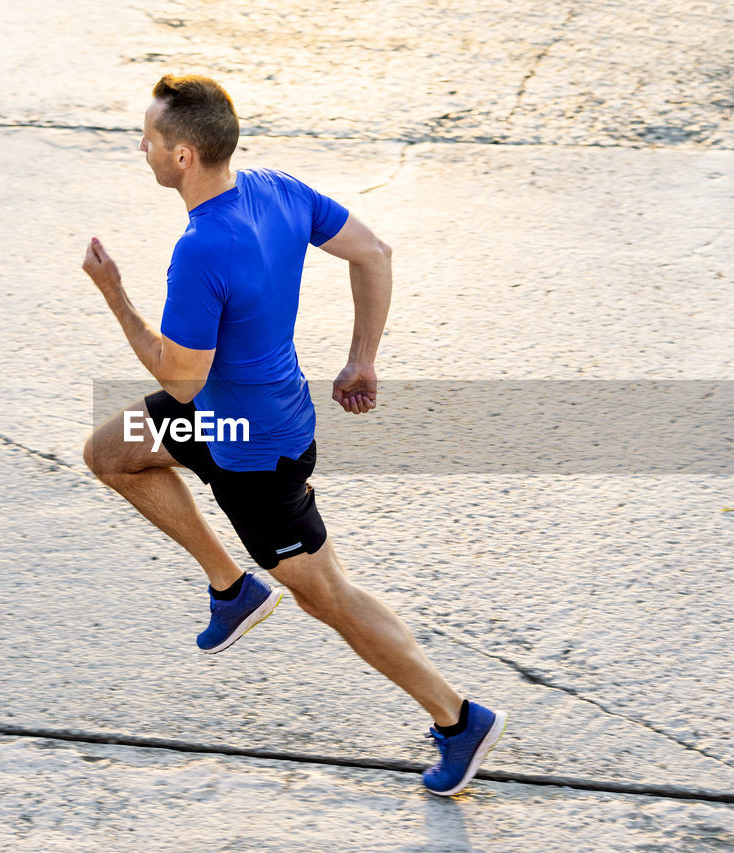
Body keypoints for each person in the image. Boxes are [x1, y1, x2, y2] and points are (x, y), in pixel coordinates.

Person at [80, 73, 505, 796]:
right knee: (110, 451)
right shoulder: (276, 188)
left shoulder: (202, 250)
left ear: (182, 155)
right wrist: (362, 357)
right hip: (234, 413)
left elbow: (179, 379)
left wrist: (115, 295)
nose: (141, 146)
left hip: (251, 446)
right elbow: (374, 252)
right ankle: (231, 587)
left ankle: (458, 717)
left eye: (148, 136)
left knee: (328, 595)